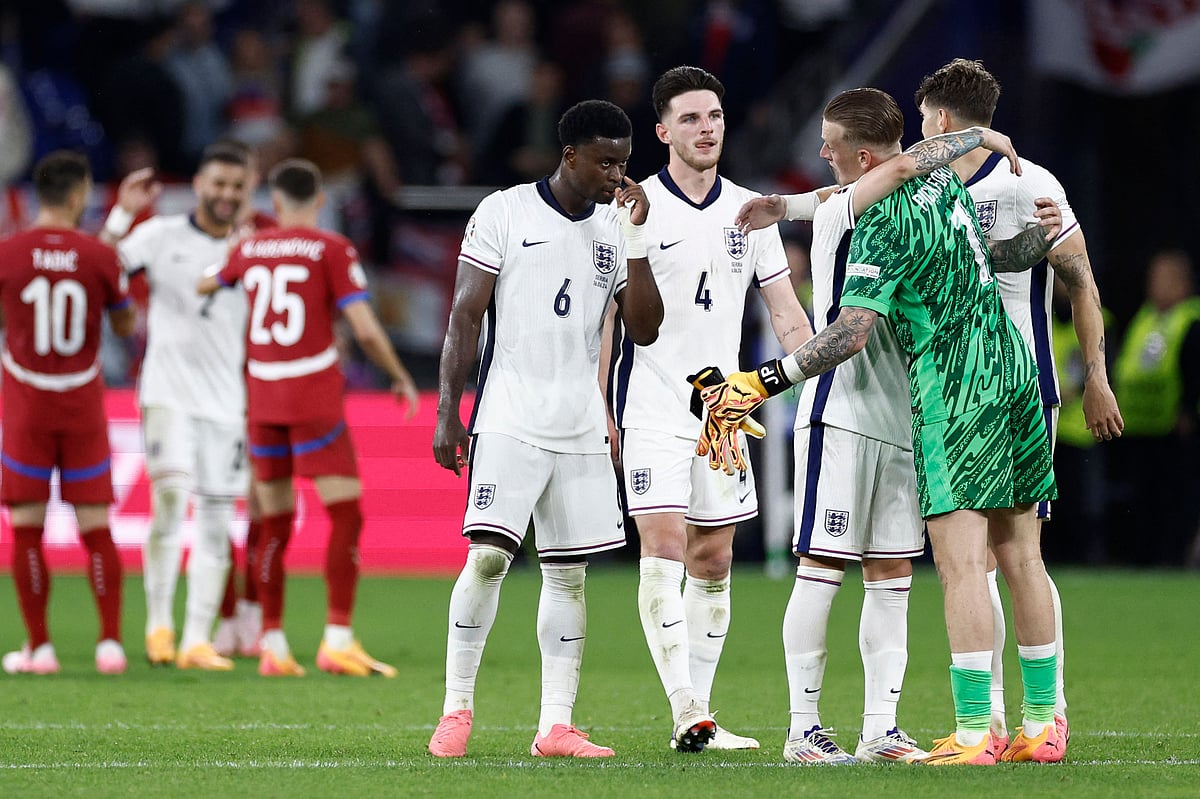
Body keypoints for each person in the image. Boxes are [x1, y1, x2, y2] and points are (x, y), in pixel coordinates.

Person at [705, 122, 1065, 765]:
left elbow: (851, 333)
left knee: (949, 569)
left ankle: (961, 731)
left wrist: (759, 383)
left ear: (864, 157)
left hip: (948, 390)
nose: (818, 154)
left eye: (830, 145)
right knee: (1017, 558)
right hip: (1002, 372)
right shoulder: (945, 188)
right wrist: (1045, 235)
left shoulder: (880, 219)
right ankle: (1040, 724)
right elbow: (993, 255)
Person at [428, 99, 664, 759]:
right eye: (605, 161)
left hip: (580, 425)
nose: (618, 175)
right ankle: (456, 710)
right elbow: (464, 316)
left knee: (568, 576)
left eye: (624, 161)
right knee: (488, 556)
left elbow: (644, 328)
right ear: (570, 156)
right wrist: (451, 409)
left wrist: (639, 238)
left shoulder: (618, 230)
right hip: (509, 416)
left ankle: (554, 724)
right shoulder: (504, 211)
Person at [914, 57, 1125, 756]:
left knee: (968, 562)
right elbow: (1082, 281)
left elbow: (1075, 279)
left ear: (941, 119)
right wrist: (1094, 374)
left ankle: (983, 724)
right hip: (1034, 389)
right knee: (1021, 556)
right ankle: (1044, 721)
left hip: (967, 392)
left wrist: (1095, 375)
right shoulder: (1035, 182)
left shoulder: (929, 190)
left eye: (922, 119)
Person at [610, 65, 813, 753]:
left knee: (716, 557)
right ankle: (684, 705)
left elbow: (784, 313)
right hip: (651, 401)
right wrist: (596, 401)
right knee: (663, 545)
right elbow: (610, 322)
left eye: (715, 117)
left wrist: (812, 365)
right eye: (691, 119)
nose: (706, 129)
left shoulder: (751, 210)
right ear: (664, 131)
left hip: (721, 412)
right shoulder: (634, 209)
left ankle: (701, 712)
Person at [198, 158, 419, 677]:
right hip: (312, 397)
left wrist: (229, 262)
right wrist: (398, 374)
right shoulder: (331, 248)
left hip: (263, 399)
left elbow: (206, 284)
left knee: (273, 521)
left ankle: (272, 644)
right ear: (319, 200)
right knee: (346, 514)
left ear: (273, 204)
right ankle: (337, 638)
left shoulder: (250, 249)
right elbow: (363, 328)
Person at [102, 142, 252, 671]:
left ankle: (196, 640)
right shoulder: (160, 235)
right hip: (167, 394)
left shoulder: (255, 247)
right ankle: (158, 625)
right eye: (218, 184)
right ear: (199, 184)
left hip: (227, 404)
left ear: (248, 189)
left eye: (236, 186)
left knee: (215, 522)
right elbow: (101, 265)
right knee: (169, 503)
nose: (226, 195)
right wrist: (122, 212)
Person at [0, 151, 136, 674]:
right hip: (81, 405)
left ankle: (40, 648)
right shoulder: (99, 256)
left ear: (39, 194)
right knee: (97, 528)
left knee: (28, 528)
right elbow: (125, 327)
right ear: (79, 194)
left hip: (27, 407)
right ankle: (110, 645)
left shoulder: (9, 253)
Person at [1111, 249, 1200, 565]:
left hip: (1174, 427)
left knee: (1174, 498)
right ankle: (1144, 557)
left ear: (1182, 283)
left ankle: (1174, 559)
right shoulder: (1147, 317)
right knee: (1144, 498)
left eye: (1163, 279)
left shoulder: (1190, 319)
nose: (1155, 286)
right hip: (1139, 426)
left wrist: (1187, 411)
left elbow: (1192, 369)